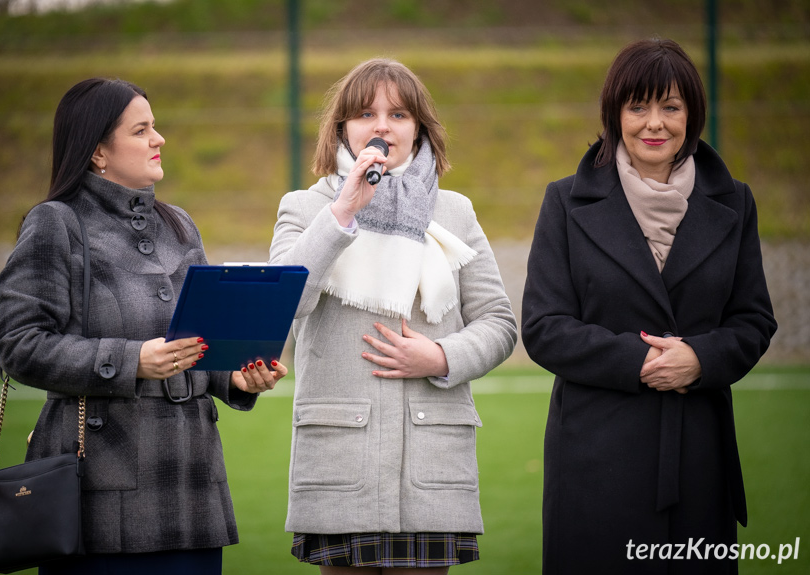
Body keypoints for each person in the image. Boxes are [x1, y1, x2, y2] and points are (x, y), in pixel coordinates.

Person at [0, 78, 287, 574]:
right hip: (98, 496)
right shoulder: (55, 223)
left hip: (194, 488)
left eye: (156, 127)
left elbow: (197, 341)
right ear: (98, 152)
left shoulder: (180, 225)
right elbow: (19, 345)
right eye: (142, 130)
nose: (159, 139)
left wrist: (231, 377)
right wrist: (131, 361)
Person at [520, 38, 777, 573]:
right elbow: (544, 327)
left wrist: (701, 359)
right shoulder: (564, 201)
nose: (653, 123)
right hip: (595, 461)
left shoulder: (735, 201)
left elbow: (753, 320)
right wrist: (642, 361)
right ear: (616, 114)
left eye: (671, 106)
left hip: (699, 459)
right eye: (637, 106)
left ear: (692, 114)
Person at [269, 58, 518, 573]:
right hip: (341, 466)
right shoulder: (303, 207)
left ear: (419, 129)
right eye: (365, 113)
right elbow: (279, 307)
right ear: (341, 129)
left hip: (431, 464)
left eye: (399, 114)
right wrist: (342, 212)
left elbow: (499, 321)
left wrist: (441, 356)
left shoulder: (456, 212)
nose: (382, 126)